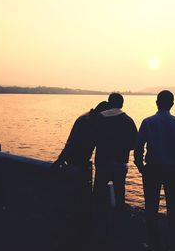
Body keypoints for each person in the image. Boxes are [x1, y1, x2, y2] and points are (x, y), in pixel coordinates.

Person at [134, 90, 175, 251]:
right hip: (172, 169)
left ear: (157, 102)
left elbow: (138, 148)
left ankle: (153, 242)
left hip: (152, 169)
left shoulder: (148, 122)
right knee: (173, 206)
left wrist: (141, 168)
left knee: (151, 207)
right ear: (172, 104)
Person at [51, 101, 110, 250]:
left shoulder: (88, 118)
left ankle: (77, 224)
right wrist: (60, 159)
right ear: (102, 113)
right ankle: (77, 229)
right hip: (76, 162)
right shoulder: (87, 122)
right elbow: (72, 143)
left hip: (80, 161)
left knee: (79, 194)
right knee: (78, 194)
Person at [93, 93, 137, 221]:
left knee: (99, 192)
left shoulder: (99, 119)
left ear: (109, 102)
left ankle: (98, 219)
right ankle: (118, 218)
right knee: (119, 191)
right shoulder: (128, 120)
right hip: (120, 163)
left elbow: (93, 139)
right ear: (122, 104)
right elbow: (134, 143)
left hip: (102, 162)